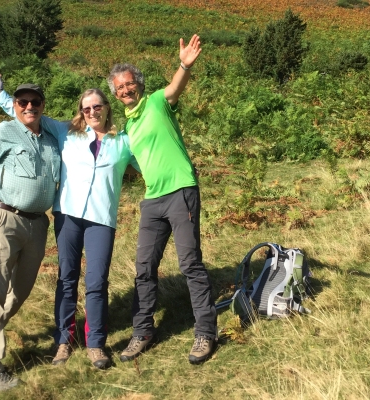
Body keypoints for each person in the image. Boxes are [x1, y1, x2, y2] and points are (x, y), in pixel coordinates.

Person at [0, 75, 140, 370]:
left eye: (97, 106)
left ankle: (96, 344)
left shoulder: (124, 142)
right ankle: (63, 341)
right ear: (80, 111)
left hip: (102, 219)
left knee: (97, 281)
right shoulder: (67, 132)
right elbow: (28, 114)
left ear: (107, 108)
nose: (92, 112)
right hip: (67, 215)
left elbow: (149, 163)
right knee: (66, 279)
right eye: (86, 108)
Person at [107, 34, 217, 365]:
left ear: (138, 84)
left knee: (189, 264)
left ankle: (205, 333)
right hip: (152, 200)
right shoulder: (126, 129)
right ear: (115, 94)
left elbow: (174, 88)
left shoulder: (156, 102)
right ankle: (142, 331)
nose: (126, 90)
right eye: (119, 88)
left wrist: (184, 64)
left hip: (181, 191)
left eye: (129, 84)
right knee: (143, 268)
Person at [0, 83, 61, 392]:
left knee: (19, 292)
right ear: (15, 105)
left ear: (43, 105)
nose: (29, 106)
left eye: (35, 101)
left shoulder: (52, 138)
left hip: (37, 225)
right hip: (4, 220)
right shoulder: (3, 132)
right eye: (22, 101)